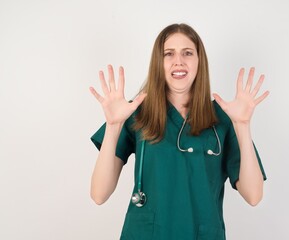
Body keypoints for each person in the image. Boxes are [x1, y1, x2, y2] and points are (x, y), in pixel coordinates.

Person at [89, 23, 269, 240]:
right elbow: (99, 194)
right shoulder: (135, 113)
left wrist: (242, 126)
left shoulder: (223, 118)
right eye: (168, 54)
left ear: (199, 61)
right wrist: (113, 125)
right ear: (158, 62)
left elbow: (254, 195)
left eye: (187, 53)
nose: (178, 61)